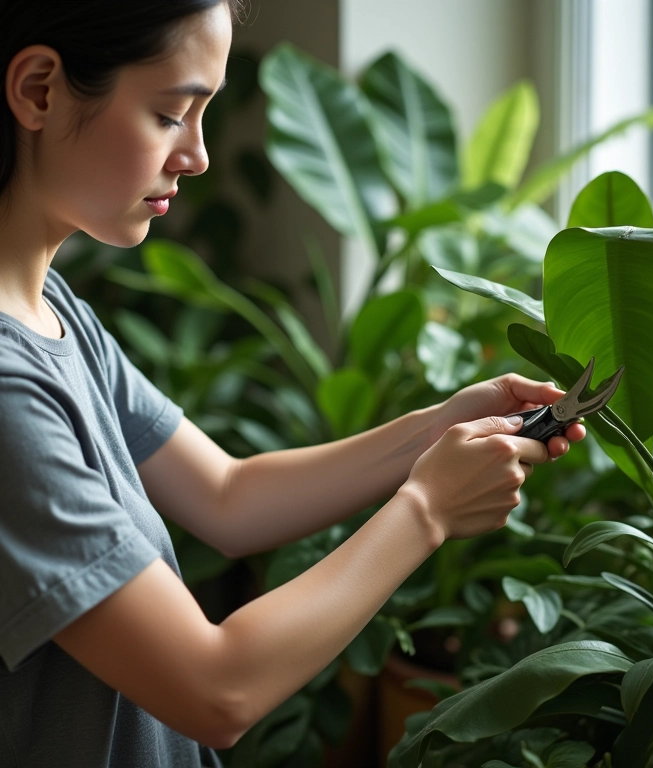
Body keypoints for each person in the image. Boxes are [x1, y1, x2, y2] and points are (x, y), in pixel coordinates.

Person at [0, 1, 586, 766]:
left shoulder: (51, 310)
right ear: (40, 90)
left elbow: (228, 496)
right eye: (172, 113)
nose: (198, 154)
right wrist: (427, 510)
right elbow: (216, 689)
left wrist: (433, 429)